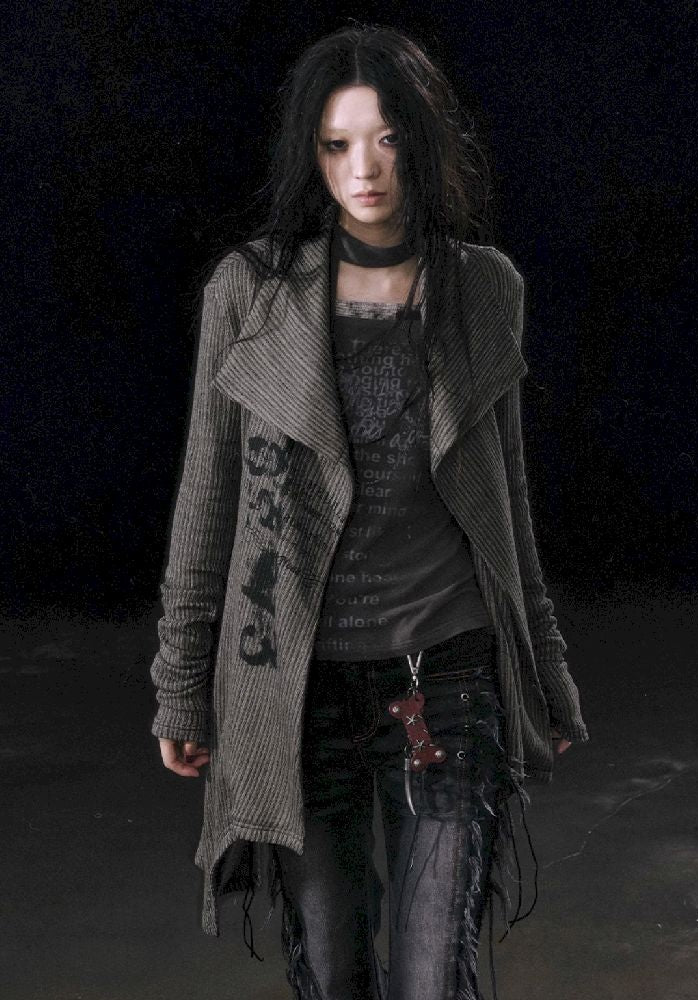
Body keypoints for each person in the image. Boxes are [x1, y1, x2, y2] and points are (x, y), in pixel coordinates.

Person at [150, 22, 589, 1000]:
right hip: (296, 693)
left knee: (434, 975)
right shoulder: (252, 292)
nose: (364, 168)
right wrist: (181, 686)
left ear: (421, 144)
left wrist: (545, 674)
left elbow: (507, 501)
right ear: (312, 155)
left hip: (451, 678)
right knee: (337, 971)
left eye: (388, 139)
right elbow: (208, 498)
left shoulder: (482, 288)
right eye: (338, 143)